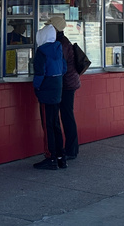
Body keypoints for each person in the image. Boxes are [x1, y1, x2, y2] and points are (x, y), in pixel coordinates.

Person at [32, 23, 67, 170]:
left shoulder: (41, 52)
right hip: (57, 89)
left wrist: (37, 87)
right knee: (56, 124)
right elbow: (64, 68)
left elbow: (40, 73)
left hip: (46, 91)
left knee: (47, 126)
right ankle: (60, 157)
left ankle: (50, 157)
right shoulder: (58, 49)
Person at [49, 14, 81, 161]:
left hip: (66, 84)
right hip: (69, 82)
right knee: (67, 115)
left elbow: (59, 66)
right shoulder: (62, 41)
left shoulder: (61, 44)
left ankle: (71, 150)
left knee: (67, 116)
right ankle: (71, 148)